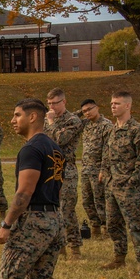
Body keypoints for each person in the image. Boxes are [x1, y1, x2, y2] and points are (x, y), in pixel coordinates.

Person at [0, 98, 68, 279]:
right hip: (54, 219)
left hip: (35, 219)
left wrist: (7, 224)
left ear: (33, 117)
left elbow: (24, 192)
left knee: (10, 276)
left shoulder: (31, 148)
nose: (13, 120)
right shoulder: (53, 146)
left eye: (17, 115)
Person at [100, 91, 140, 273]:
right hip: (112, 185)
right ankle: (119, 258)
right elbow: (106, 154)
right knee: (113, 224)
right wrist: (104, 172)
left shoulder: (136, 130)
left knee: (135, 225)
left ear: (128, 105)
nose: (113, 106)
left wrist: (132, 180)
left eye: (117, 103)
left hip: (129, 187)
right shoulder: (112, 130)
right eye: (112, 103)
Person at [44, 88, 85, 259]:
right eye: (49, 103)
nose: (52, 107)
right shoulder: (47, 121)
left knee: (67, 210)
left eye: (55, 103)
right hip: (49, 170)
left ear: (64, 102)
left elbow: (60, 140)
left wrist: (52, 124)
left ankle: (74, 247)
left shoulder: (73, 120)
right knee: (53, 210)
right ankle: (58, 246)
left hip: (66, 170)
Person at [77, 99, 113, 239]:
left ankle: (106, 228)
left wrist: (103, 169)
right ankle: (95, 227)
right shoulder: (85, 124)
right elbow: (71, 119)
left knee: (100, 200)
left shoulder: (106, 125)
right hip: (86, 168)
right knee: (87, 200)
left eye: (89, 109)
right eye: (84, 111)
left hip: (99, 169)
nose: (87, 113)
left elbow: (107, 149)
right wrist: (80, 112)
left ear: (97, 108)